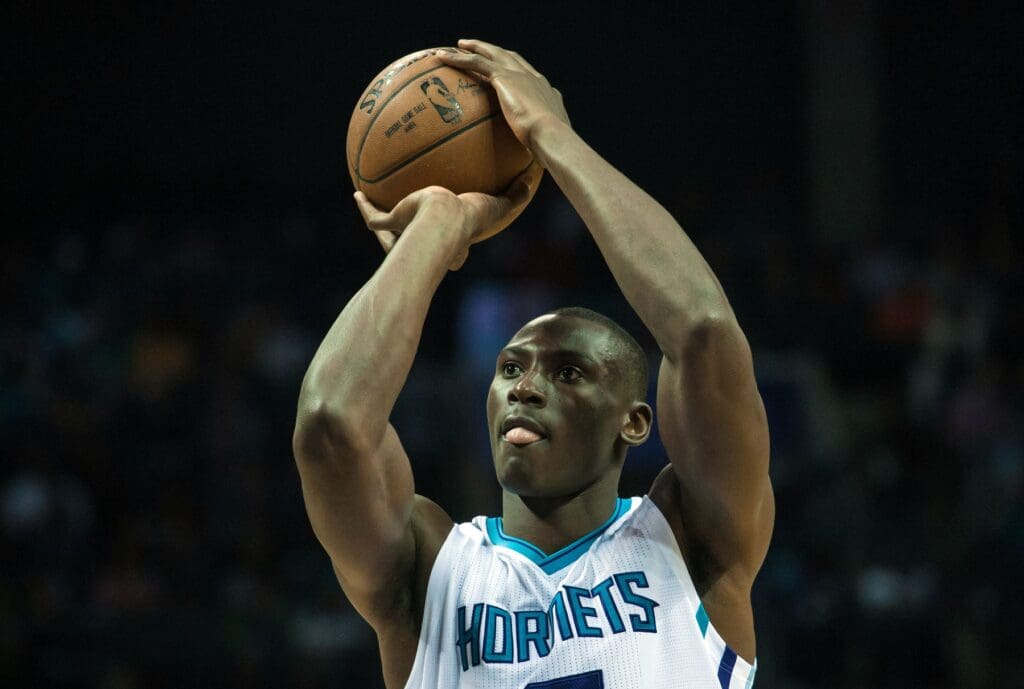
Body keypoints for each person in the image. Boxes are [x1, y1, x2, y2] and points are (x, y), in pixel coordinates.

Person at [293, 39, 774, 689]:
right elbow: (330, 423)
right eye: (510, 368)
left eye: (568, 371)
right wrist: (439, 224)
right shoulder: (431, 568)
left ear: (634, 422)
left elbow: (706, 334)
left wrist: (551, 135)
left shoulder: (690, 542)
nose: (525, 387)